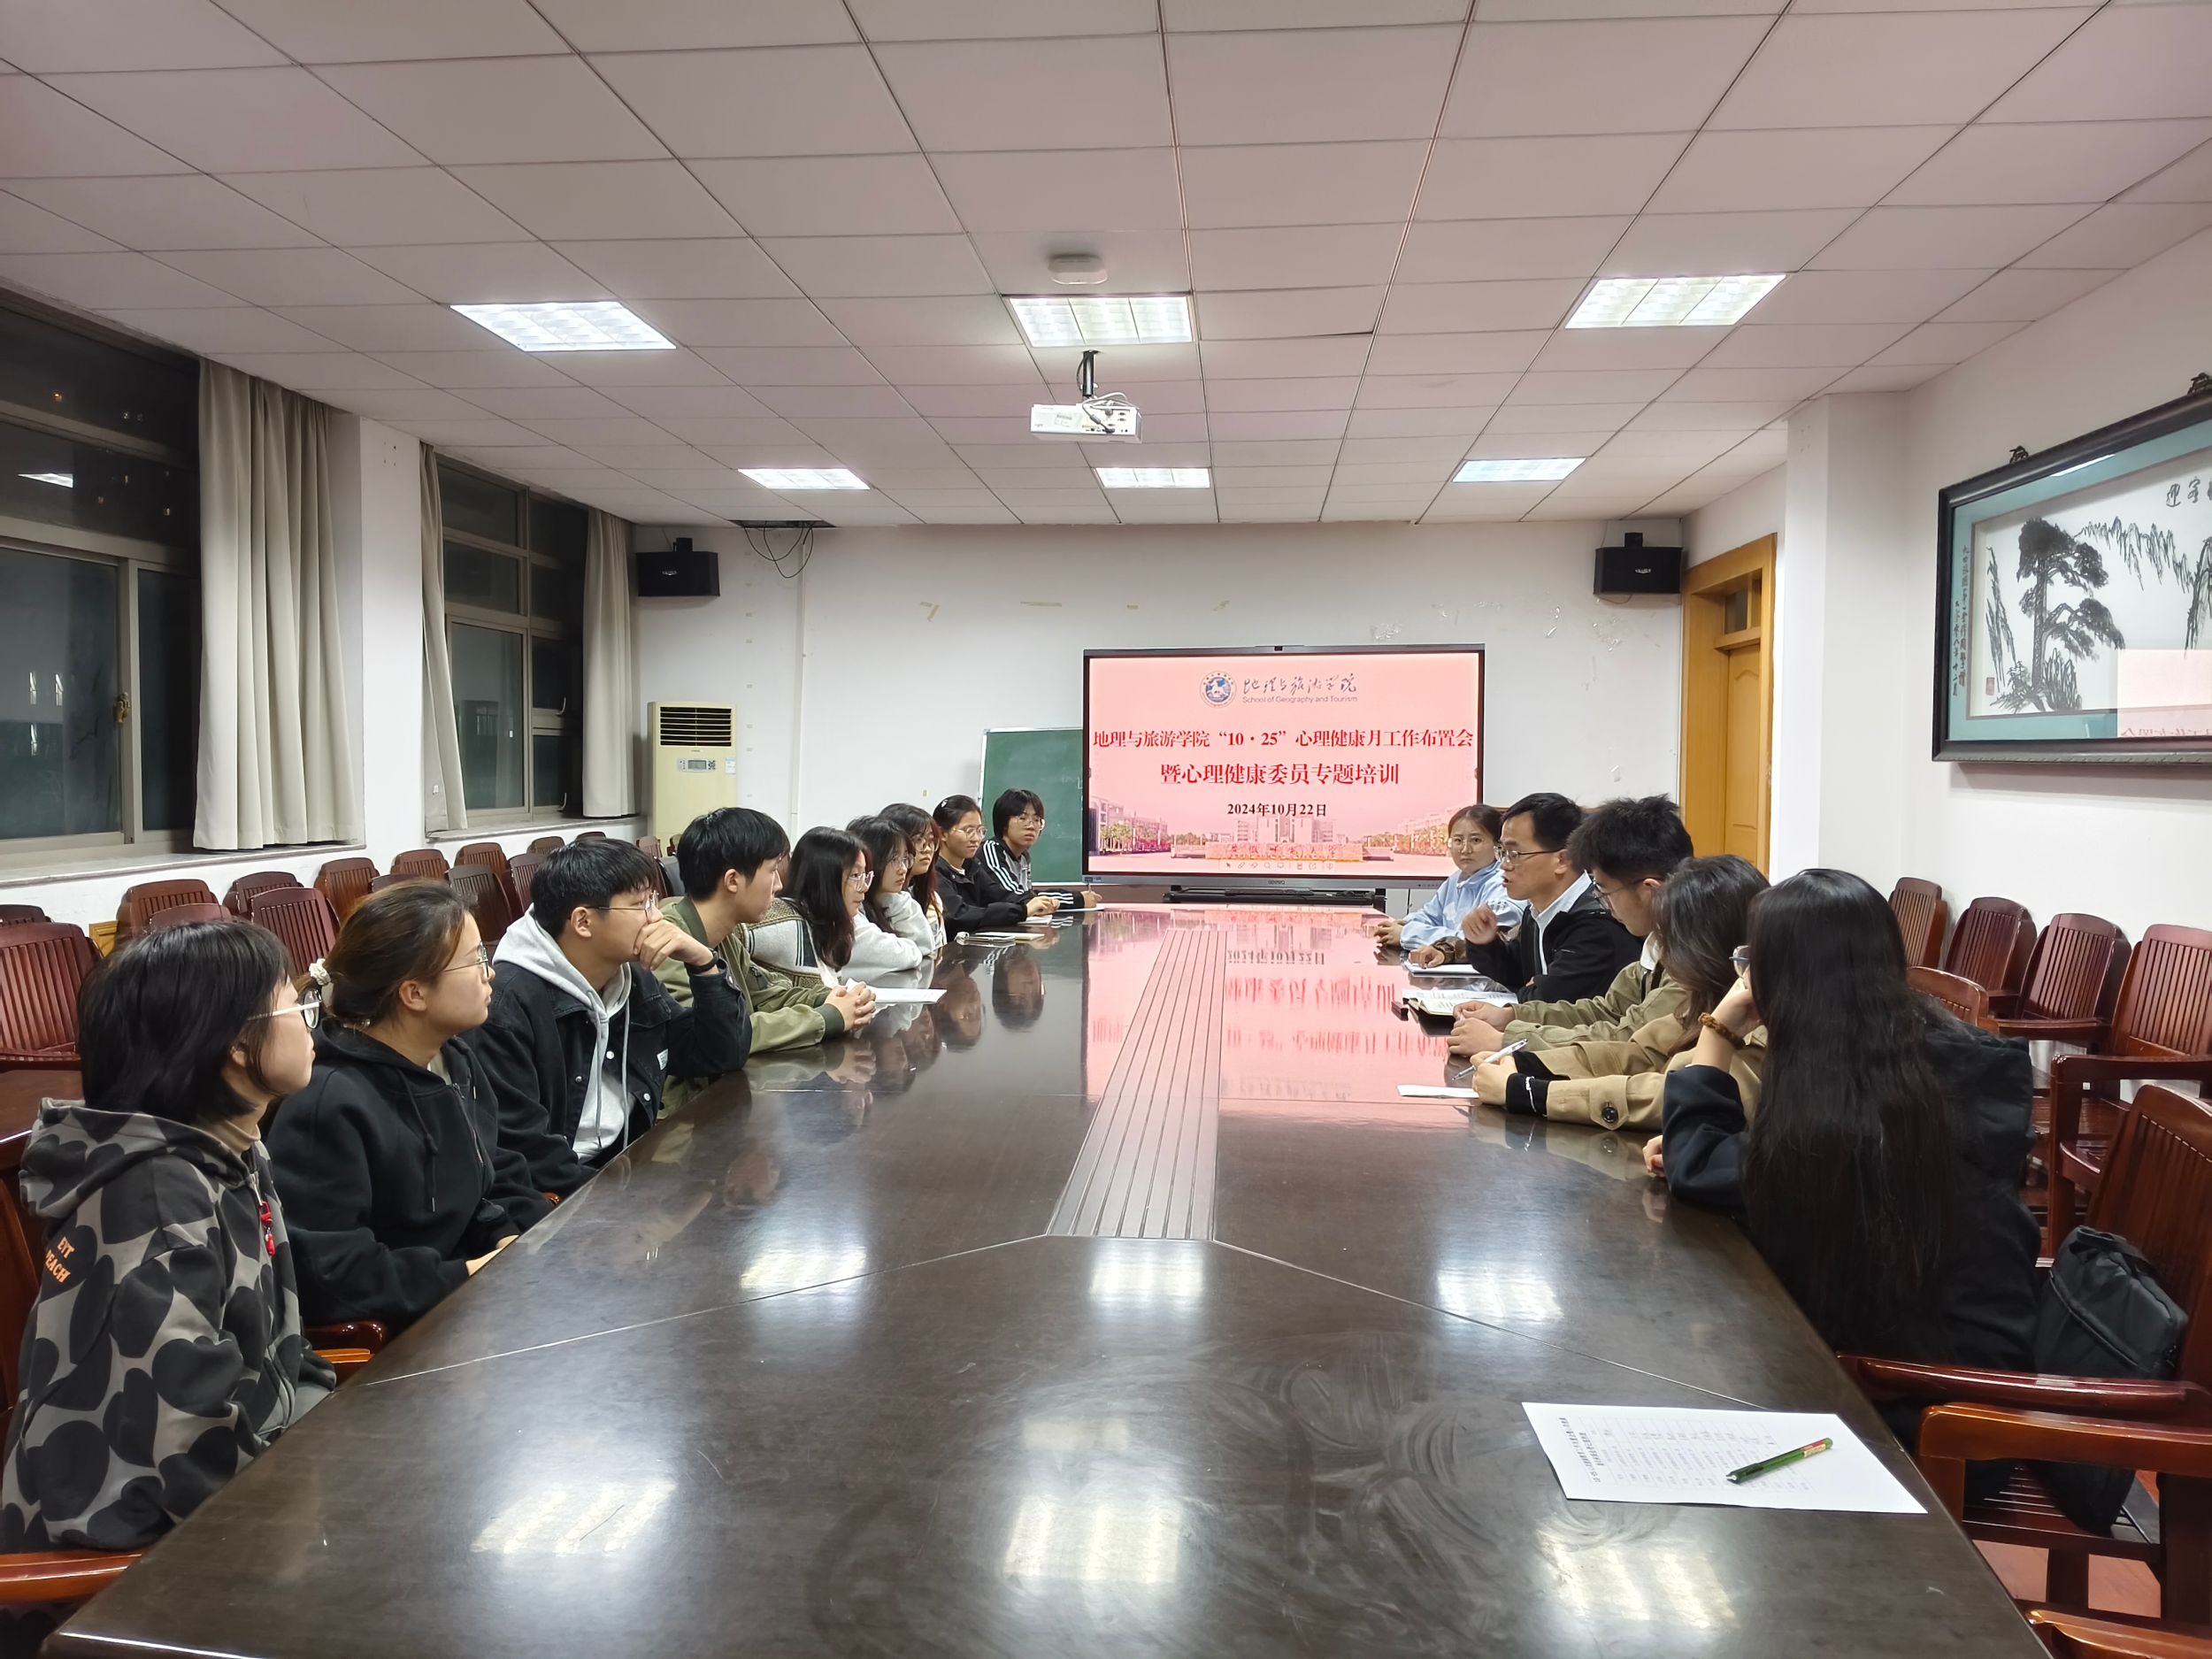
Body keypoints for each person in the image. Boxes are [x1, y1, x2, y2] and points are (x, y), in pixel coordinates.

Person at [1656, 869, 2039, 1471]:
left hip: (1938, 1416)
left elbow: (1697, 1167)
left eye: (1752, 962)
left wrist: (1721, 1028)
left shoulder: (1858, 1108)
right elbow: (1728, 1165)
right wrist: (1728, 1152)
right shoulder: (1912, 1056)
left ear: (1787, 980)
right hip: (1922, 1369)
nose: (1746, 977)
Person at [2, 923, 335, 1554]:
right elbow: (188, 1453)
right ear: (238, 1044)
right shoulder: (157, 1199)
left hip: (246, 1484)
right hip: (135, 1557)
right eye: (295, 1005)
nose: (309, 1023)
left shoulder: (232, 1150)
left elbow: (280, 1349)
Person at [267, 884, 542, 1333]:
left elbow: (490, 1174)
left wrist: (512, 1236)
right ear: (414, 993)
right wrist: (466, 1275)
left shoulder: (453, 1058)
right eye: (475, 959)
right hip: (405, 1332)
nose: (489, 973)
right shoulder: (329, 1102)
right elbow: (332, 1272)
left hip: (469, 1301)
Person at [473, 839, 749, 1199]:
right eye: (640, 905)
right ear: (583, 921)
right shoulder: (508, 1006)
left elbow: (719, 1055)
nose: (656, 918)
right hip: (564, 1196)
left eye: (653, 900)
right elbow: (526, 1152)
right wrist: (625, 1201)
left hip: (628, 1167)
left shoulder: (630, 978)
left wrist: (703, 962)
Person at [1467, 854, 1768, 1133]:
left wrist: (1529, 1091)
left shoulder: (1758, 1019)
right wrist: (1526, 1063)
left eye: (1672, 940)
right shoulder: (1707, 992)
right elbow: (1637, 1052)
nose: (1665, 954)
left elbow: (1669, 1095)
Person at [655, 807, 874, 1110]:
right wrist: (826, 1018)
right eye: (772, 871)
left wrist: (830, 998)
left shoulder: (724, 934)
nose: (780, 885)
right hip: (684, 1115)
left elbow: (768, 994)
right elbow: (724, 1036)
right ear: (733, 880)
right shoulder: (671, 942)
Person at [1449, 795, 1692, 1057]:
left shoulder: (1689, 961)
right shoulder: (1656, 946)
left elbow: (1628, 1043)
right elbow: (1605, 1010)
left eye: (1605, 891)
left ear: (1649, 891)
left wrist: (1508, 1041)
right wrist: (1510, 1016)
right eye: (1503, 852)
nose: (1603, 902)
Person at [1419, 792, 1640, 1002]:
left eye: (1514, 854)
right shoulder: (1537, 911)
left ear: (1562, 860)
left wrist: (1535, 989)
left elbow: (1549, 1002)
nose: (1504, 865)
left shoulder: (1596, 926)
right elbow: (1515, 973)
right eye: (1502, 852)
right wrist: (1484, 943)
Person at [749, 826, 879, 996]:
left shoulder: (828, 925)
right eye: (855, 876)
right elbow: (729, 936)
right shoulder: (787, 922)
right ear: (825, 879)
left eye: (865, 876)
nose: (864, 887)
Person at [1374, 804, 1520, 954]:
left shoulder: (1505, 883)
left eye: (1476, 840)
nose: (1465, 849)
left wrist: (1409, 934)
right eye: (1458, 841)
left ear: (1499, 845)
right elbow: (1430, 915)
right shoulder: (1456, 879)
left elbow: (1473, 942)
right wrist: (1405, 924)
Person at [975, 788, 1098, 913]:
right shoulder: (991, 850)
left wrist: (1076, 898)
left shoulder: (1023, 857)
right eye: (1022, 818)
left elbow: (1029, 895)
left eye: (1037, 820)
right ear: (1004, 823)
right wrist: (1077, 899)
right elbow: (1015, 897)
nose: (1031, 826)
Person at [933, 794, 1041, 934]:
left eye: (980, 831)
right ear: (942, 834)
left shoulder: (971, 866)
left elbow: (999, 894)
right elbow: (959, 915)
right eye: (968, 831)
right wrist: (1022, 911)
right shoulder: (933, 872)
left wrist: (1029, 902)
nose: (976, 839)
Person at [843, 816, 931, 979]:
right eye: (894, 859)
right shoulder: (849, 908)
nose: (903, 869)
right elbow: (906, 954)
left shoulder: (889, 901)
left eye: (905, 859)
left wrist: (894, 898)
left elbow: (925, 946)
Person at [880, 802, 946, 955]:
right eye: (918, 841)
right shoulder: (879, 900)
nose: (927, 849)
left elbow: (937, 952)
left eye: (931, 841)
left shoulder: (930, 897)